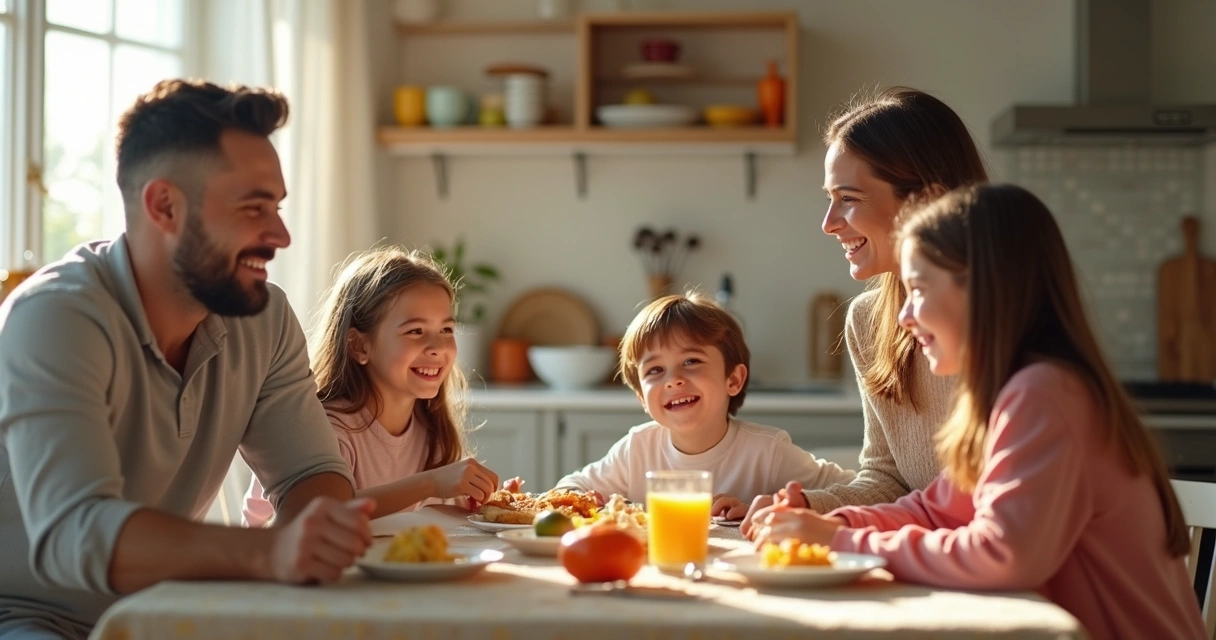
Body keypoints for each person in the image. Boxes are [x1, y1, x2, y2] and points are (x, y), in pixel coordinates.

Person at [0, 79, 373, 639]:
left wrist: (319, 537)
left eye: (277, 207)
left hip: (170, 610)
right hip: (32, 617)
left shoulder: (264, 316)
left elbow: (310, 473)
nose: (281, 235)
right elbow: (75, 533)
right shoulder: (55, 316)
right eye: (254, 208)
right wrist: (270, 552)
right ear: (165, 206)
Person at [750, 184, 1207, 640]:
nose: (905, 316)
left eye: (918, 289)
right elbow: (934, 511)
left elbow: (1005, 553)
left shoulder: (1044, 394)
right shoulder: (1012, 394)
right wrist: (832, 523)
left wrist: (840, 542)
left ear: (985, 290)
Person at [742, 86, 989, 536]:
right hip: (936, 560)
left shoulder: (1004, 318)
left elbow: (987, 510)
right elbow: (889, 479)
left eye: (849, 198)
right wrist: (813, 508)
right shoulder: (867, 320)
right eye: (829, 197)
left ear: (925, 202)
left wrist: (838, 528)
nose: (828, 222)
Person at [512, 292, 854, 515]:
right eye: (655, 370)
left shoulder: (768, 451)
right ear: (641, 399)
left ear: (733, 380)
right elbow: (568, 489)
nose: (673, 380)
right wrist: (591, 505)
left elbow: (855, 491)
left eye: (691, 361)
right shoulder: (637, 449)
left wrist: (766, 507)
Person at [243, 247, 500, 526]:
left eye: (446, 330)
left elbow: (434, 519)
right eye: (415, 331)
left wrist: (482, 501)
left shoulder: (431, 429)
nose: (438, 347)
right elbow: (320, 512)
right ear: (359, 344)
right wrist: (430, 484)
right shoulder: (324, 430)